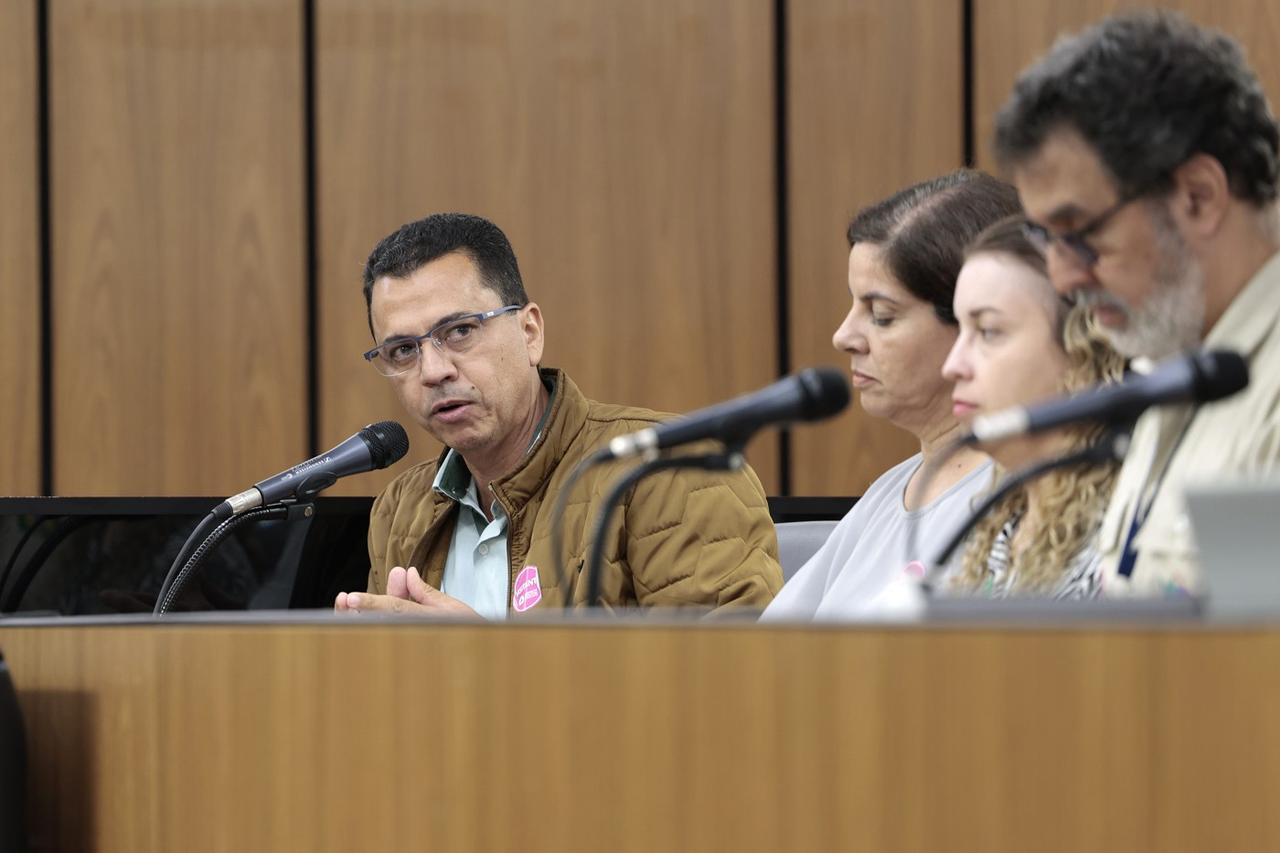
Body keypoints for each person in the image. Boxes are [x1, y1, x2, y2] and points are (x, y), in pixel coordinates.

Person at [333, 213, 781, 618]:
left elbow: (727, 675)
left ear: (529, 332)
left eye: (460, 331)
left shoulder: (672, 471)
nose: (433, 371)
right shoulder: (400, 509)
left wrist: (484, 660)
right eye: (403, 350)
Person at [994, 10, 1280, 595]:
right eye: (1045, 238)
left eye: (1080, 233)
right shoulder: (1171, 367)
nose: (1062, 277)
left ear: (1198, 196)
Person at [761, 170, 1019, 621]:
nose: (844, 336)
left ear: (976, 323)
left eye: (881, 315)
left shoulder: (1034, 497)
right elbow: (767, 648)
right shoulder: (890, 491)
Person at [942, 217, 1126, 597]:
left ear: (1081, 352)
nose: (952, 365)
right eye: (960, 330)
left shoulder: (1125, 536)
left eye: (988, 331)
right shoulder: (1001, 522)